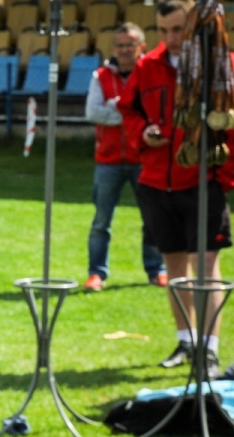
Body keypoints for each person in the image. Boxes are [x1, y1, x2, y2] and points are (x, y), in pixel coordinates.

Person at [118, 0, 233, 379]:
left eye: (178, 29)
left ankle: (209, 349)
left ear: (195, 26)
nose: (171, 38)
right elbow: (129, 111)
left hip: (202, 183)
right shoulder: (148, 65)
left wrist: (223, 176)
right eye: (163, 30)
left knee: (207, 269)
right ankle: (186, 341)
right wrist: (143, 133)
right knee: (175, 269)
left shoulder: (220, 66)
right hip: (155, 182)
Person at [83, 22, 167, 292]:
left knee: (152, 218)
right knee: (101, 222)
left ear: (142, 46)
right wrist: (130, 113)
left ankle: (157, 270)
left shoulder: (152, 75)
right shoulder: (100, 76)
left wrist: (115, 107)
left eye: (129, 45)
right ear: (113, 48)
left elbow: (155, 113)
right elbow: (93, 112)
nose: (124, 50)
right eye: (119, 45)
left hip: (144, 158)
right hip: (107, 160)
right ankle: (96, 274)